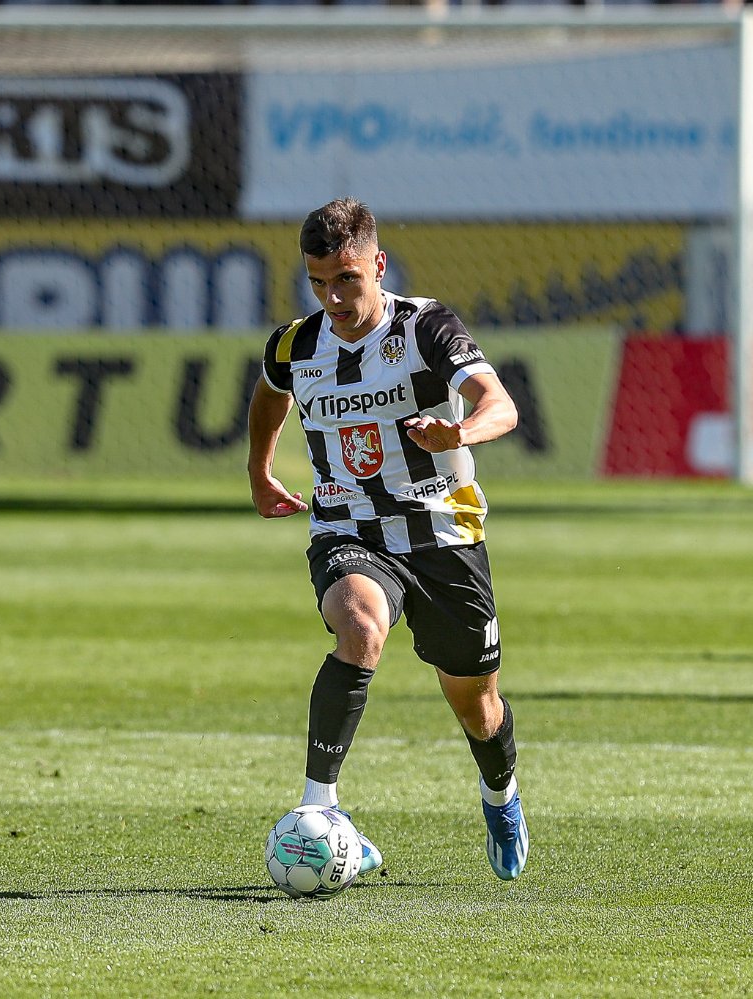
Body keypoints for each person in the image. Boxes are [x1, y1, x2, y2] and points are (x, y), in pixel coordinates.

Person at [246, 197, 528, 882]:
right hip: (347, 526)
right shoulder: (295, 344)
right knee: (360, 625)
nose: (333, 298)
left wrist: (459, 431)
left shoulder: (426, 327)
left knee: (477, 705)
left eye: (346, 279)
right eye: (318, 282)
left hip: (442, 531)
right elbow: (271, 391)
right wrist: (259, 470)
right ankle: (321, 809)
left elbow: (501, 406)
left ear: (377, 265)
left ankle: (500, 795)